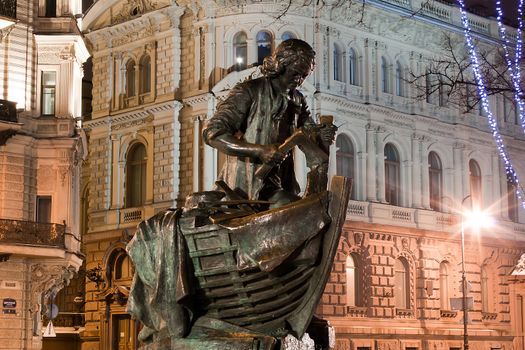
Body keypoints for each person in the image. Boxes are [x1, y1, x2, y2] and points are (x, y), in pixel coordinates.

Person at [203, 39, 336, 206]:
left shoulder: (298, 100)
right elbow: (212, 133)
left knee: (314, 209)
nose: (299, 80)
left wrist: (322, 133)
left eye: (304, 75)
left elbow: (310, 138)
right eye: (295, 73)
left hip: (281, 184)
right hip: (246, 185)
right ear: (281, 65)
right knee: (297, 210)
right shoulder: (249, 90)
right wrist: (259, 151)